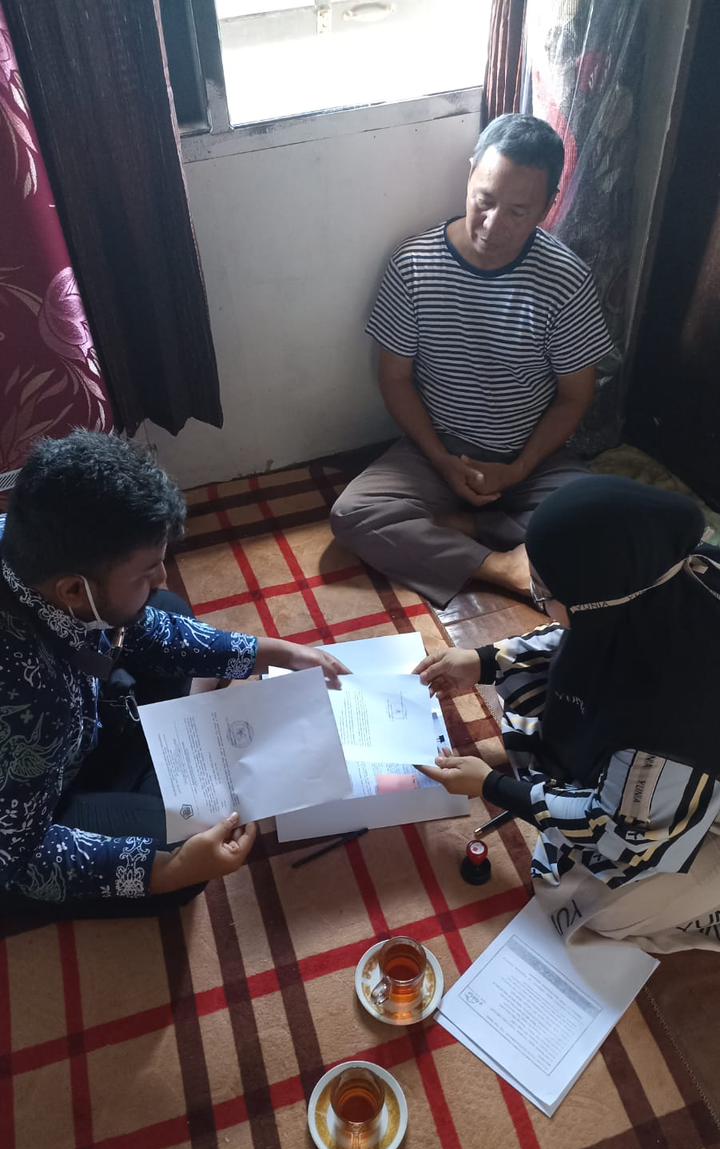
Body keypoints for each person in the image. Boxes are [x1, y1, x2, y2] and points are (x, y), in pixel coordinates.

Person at [0, 431, 349, 919]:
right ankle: (159, 759)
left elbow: (136, 625)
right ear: (75, 591)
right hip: (26, 808)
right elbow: (16, 855)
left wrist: (274, 652)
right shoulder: (33, 700)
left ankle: (162, 748)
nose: (162, 575)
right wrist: (169, 871)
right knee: (186, 853)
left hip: (66, 723)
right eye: (146, 570)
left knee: (165, 608)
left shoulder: (20, 547)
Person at [415, 477, 720, 953]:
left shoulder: (672, 719)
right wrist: (482, 662)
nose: (541, 603)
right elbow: (582, 634)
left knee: (595, 905)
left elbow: (618, 831)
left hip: (685, 774)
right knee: (531, 695)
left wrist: (492, 787)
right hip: (661, 747)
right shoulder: (662, 575)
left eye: (546, 594)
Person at [331, 113, 615, 608]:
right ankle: (501, 565)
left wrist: (519, 468)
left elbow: (575, 396)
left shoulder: (565, 280)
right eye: (484, 200)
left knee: (609, 522)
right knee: (353, 514)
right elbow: (395, 378)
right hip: (437, 450)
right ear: (470, 175)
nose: (493, 224)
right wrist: (442, 461)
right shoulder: (414, 265)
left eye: (518, 212)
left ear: (548, 206)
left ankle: (469, 525)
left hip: (532, 456)